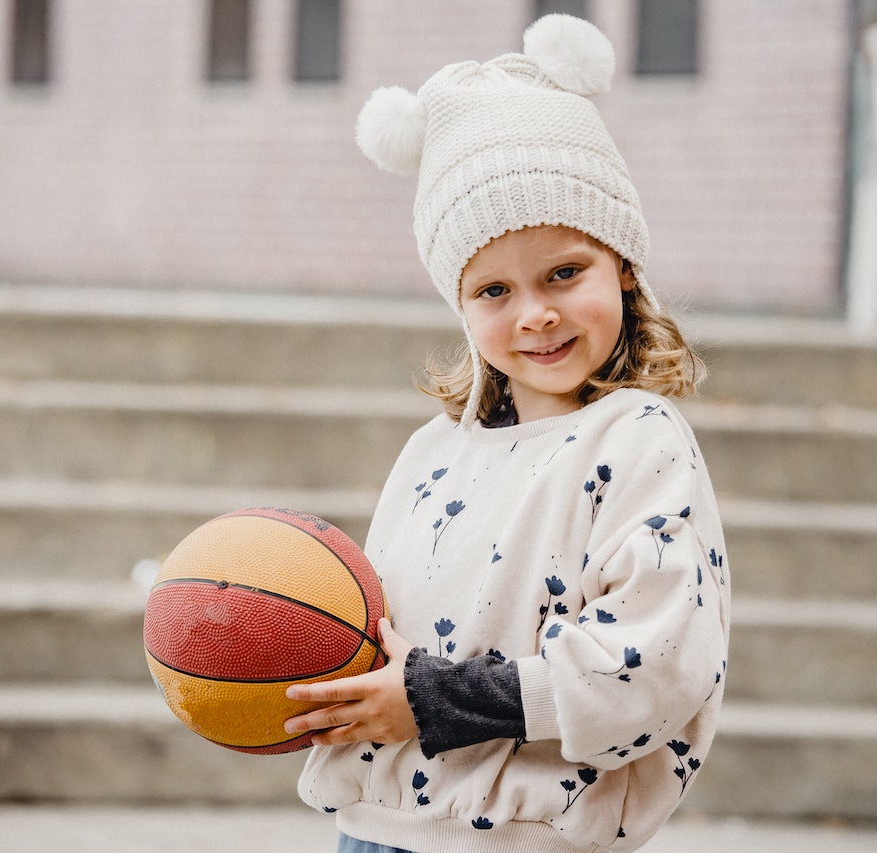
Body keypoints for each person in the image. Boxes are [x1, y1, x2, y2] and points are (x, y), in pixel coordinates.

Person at [284, 14, 730, 852]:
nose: (536, 313)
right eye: (492, 290)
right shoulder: (431, 452)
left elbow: (653, 665)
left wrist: (430, 698)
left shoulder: (639, 440)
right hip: (372, 833)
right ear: (460, 306)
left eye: (565, 270)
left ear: (623, 266)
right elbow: (381, 635)